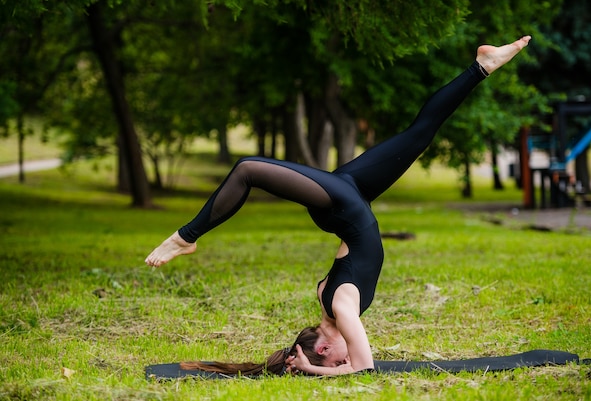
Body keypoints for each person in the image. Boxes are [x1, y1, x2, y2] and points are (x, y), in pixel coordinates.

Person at [145, 36, 532, 376]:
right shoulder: (326, 297)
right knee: (419, 134)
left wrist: (315, 369)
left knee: (247, 169)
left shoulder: (342, 306)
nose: (342, 359)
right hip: (350, 201)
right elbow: (355, 250)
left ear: (326, 347)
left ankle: (186, 236)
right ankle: (482, 65)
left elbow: (364, 368)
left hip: (343, 206)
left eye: (334, 359)